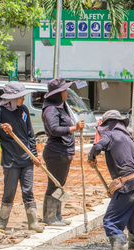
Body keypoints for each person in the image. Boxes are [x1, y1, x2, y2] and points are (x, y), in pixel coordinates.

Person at [0, 82, 43, 233]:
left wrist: (34, 155)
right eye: (20, 96)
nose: (23, 98)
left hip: (27, 159)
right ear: (12, 98)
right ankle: (2, 222)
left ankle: (33, 222)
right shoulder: (1, 111)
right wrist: (1, 126)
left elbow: (30, 135)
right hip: (11, 161)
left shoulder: (23, 110)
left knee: (28, 191)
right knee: (9, 191)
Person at [87, 110, 134, 250]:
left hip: (127, 185)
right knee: (133, 217)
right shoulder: (127, 136)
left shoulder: (110, 134)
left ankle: (120, 248)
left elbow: (97, 146)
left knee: (111, 220)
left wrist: (91, 156)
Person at [42, 77, 84, 226]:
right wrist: (74, 128)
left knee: (60, 184)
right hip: (55, 152)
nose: (66, 93)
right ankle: (50, 217)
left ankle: (57, 215)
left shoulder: (61, 107)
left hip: (64, 152)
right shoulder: (51, 109)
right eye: (64, 90)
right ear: (59, 93)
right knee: (54, 184)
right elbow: (54, 129)